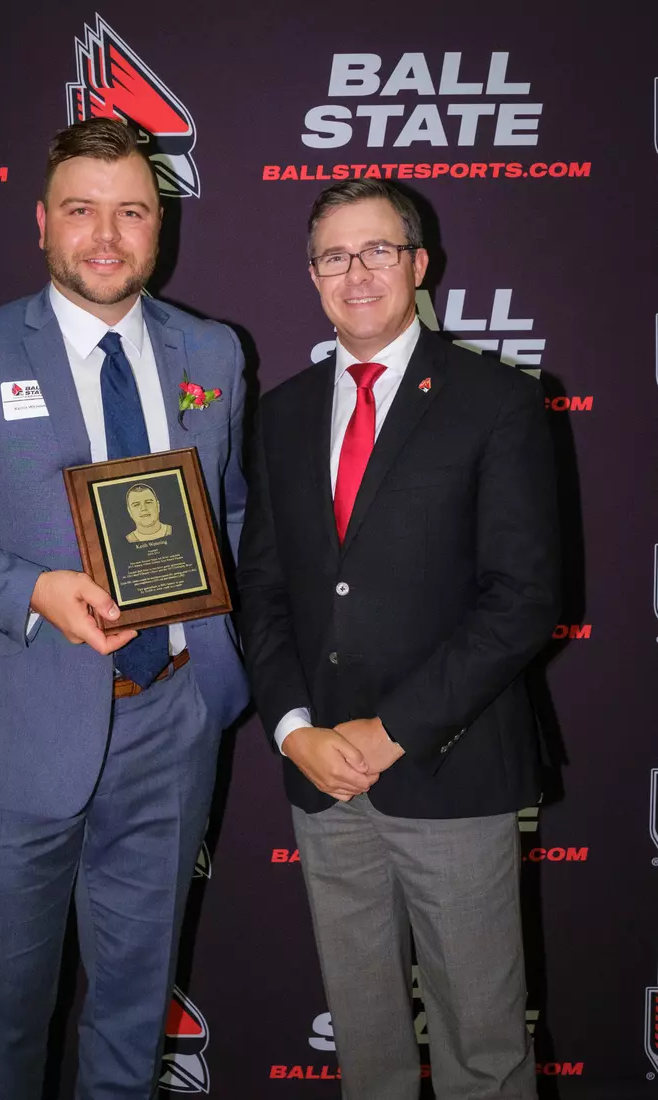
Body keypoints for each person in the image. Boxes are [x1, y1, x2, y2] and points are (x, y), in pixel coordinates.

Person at [0, 118, 249, 1100]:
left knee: (130, 1014)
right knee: (3, 1026)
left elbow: (230, 506)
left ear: (160, 227)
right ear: (42, 222)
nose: (106, 235)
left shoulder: (212, 349)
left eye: (132, 212)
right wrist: (30, 590)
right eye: (82, 210)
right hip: (13, 728)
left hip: (170, 718)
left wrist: (217, 657)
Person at [237, 178, 559, 1100]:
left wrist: (391, 730)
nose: (357, 272)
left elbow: (521, 600)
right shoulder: (283, 413)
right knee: (366, 1051)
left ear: (419, 266)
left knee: (483, 1052)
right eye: (334, 256)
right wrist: (295, 728)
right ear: (311, 276)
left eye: (378, 249)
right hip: (322, 777)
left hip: (448, 768)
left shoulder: (495, 400)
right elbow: (264, 590)